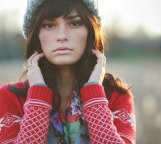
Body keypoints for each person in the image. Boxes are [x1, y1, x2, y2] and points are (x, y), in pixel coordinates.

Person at [0, 0, 136, 143]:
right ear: (35, 36)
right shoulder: (9, 97)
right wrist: (37, 100)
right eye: (49, 25)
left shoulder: (116, 95)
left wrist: (95, 97)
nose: (62, 36)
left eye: (74, 23)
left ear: (91, 30)